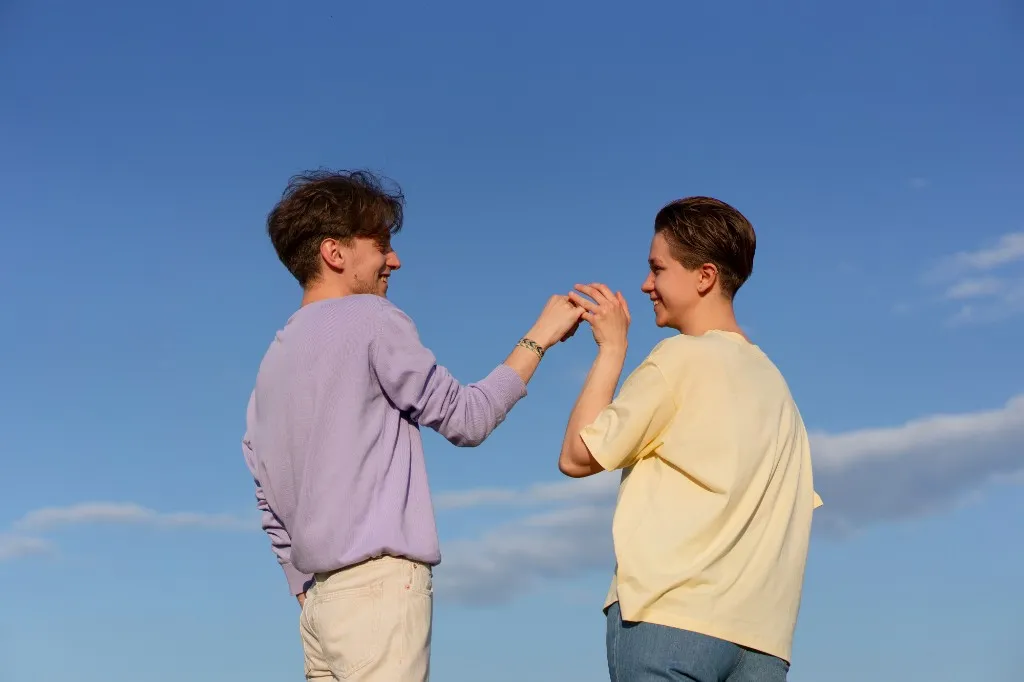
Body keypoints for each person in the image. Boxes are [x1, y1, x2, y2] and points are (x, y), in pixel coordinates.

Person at [241, 169, 583, 682]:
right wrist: (539, 338)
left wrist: (306, 588)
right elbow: (467, 418)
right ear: (335, 253)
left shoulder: (273, 361)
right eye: (380, 245)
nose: (393, 260)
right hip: (378, 592)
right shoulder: (374, 319)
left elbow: (266, 495)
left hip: (320, 605)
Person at [558, 196, 821, 682]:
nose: (646, 284)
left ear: (703, 276)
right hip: (763, 640)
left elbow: (577, 456)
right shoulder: (778, 389)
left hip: (670, 620)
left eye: (656, 268)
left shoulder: (678, 359)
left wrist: (612, 350)